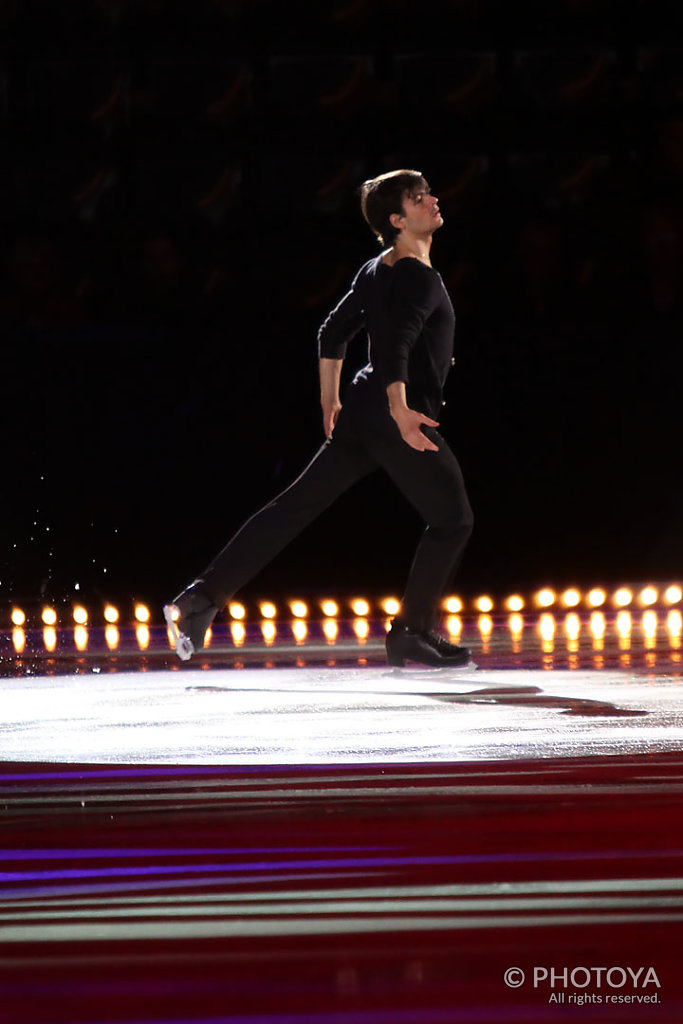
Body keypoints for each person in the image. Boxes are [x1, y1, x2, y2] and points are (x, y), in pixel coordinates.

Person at [164, 169, 474, 667]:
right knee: (453, 519)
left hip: (360, 408)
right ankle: (411, 632)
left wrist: (332, 401)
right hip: (396, 414)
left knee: (295, 507)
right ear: (397, 220)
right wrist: (400, 411)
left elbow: (332, 332)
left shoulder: (375, 269)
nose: (433, 200)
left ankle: (201, 598)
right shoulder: (418, 276)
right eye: (420, 199)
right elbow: (395, 346)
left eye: (429, 192)